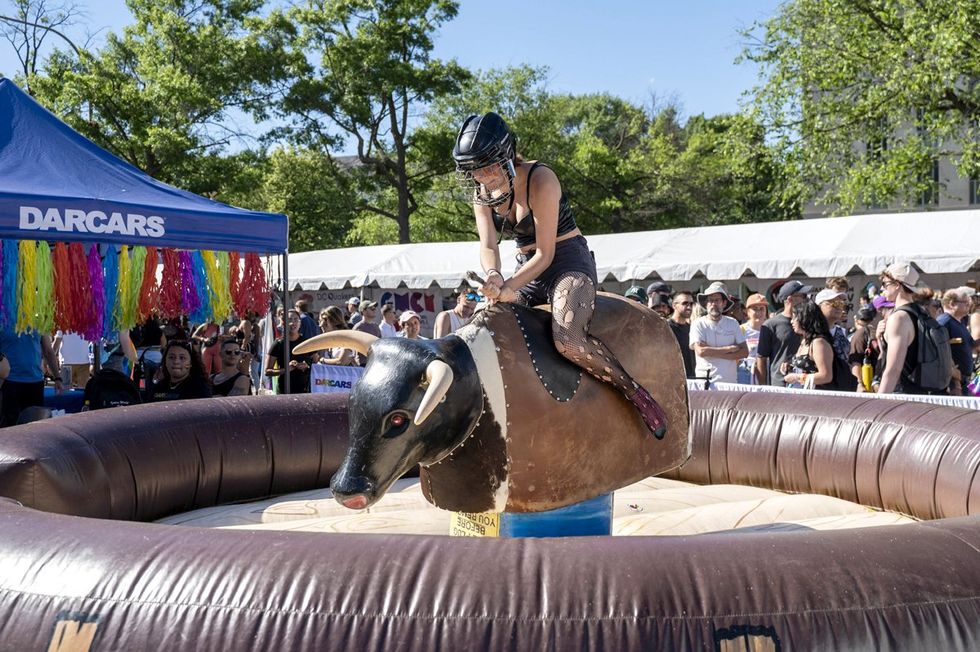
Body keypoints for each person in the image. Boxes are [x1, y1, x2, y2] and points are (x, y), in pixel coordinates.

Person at [453, 111, 668, 438]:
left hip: (567, 262)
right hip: (526, 270)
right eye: (475, 170)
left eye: (489, 166)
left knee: (569, 340)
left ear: (507, 156)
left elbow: (545, 253)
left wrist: (510, 287)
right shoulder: (482, 194)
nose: (483, 176)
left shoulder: (541, 178)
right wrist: (494, 275)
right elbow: (488, 246)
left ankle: (635, 393)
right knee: (483, 331)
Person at [877, 262, 948, 395]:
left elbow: (893, 369)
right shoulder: (921, 312)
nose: (882, 288)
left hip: (904, 395)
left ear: (897, 285)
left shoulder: (898, 318)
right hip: (923, 393)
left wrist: (878, 402)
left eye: (885, 284)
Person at [689, 282, 748, 385]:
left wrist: (711, 351)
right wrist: (729, 350)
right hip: (706, 382)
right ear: (706, 304)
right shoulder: (698, 323)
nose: (713, 304)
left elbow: (744, 352)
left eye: (717, 300)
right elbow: (701, 351)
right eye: (710, 300)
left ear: (724, 303)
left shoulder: (733, 323)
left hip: (730, 382)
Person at [755, 280, 812, 386]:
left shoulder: (810, 322)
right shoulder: (770, 325)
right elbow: (761, 357)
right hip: (780, 384)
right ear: (790, 299)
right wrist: (763, 386)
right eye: (803, 296)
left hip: (806, 382)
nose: (807, 299)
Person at [0, 329, 61, 427]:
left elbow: (48, 351)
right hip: (9, 383)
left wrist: (57, 378)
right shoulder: (3, 315)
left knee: (35, 429)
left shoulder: (39, 316)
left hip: (35, 383)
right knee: (9, 429)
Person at [781, 301, 836, 390]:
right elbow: (807, 367)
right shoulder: (805, 341)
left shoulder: (819, 343)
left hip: (816, 398)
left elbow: (826, 376)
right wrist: (790, 366)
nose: (791, 321)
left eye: (795, 317)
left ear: (805, 318)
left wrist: (796, 377)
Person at [146, 340, 212, 402]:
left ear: (191, 363)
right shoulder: (158, 387)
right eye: (171, 357)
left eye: (182, 358)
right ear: (165, 361)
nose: (176, 362)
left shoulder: (199, 389)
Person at [266, 310, 313, 394]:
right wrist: (286, 370)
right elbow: (267, 371)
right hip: (284, 391)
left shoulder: (307, 343)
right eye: (289, 320)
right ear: (283, 323)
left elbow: (317, 363)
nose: (292, 323)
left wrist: (307, 366)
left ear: (300, 323)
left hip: (305, 391)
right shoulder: (278, 344)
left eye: (296, 320)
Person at [937, 289, 974, 395]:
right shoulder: (944, 321)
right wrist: (955, 382)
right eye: (965, 302)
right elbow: (939, 352)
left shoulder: (959, 322)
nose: (969, 305)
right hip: (952, 383)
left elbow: (970, 345)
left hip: (963, 381)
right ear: (952, 304)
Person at [738, 293, 767, 385]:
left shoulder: (770, 330)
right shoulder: (740, 330)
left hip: (765, 374)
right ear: (748, 312)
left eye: (761, 309)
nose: (759, 313)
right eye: (755, 309)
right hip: (745, 375)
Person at [668, 291, 696, 379]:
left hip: (692, 379)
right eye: (685, 303)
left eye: (691, 304)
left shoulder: (693, 329)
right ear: (674, 305)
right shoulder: (666, 327)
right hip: (672, 379)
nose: (689, 307)